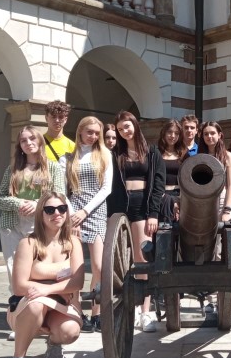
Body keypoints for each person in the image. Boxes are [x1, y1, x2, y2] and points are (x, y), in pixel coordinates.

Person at [5, 192, 84, 358]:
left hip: (61, 306)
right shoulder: (28, 243)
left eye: (62, 209)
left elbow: (78, 281)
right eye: (50, 210)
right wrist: (55, 290)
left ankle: (55, 343)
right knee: (36, 305)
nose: (57, 213)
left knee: (70, 331)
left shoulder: (74, 242)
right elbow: (19, 286)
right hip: (28, 306)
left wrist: (46, 290)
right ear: (41, 214)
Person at [107, 111, 166, 332]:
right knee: (122, 259)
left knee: (142, 257)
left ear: (135, 125)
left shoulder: (152, 152)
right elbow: (111, 184)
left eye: (127, 126)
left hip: (143, 206)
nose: (125, 131)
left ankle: (145, 312)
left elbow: (158, 184)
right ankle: (127, 308)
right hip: (121, 206)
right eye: (120, 129)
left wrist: (153, 213)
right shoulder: (115, 153)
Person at [0, 127, 67, 301]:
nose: (28, 143)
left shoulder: (52, 168)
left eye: (32, 138)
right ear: (19, 145)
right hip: (12, 224)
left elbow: (60, 195)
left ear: (40, 141)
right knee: (14, 266)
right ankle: (18, 303)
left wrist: (37, 204)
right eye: (23, 140)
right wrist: (18, 203)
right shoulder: (13, 169)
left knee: (39, 266)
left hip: (41, 224)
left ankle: (39, 301)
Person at [66, 116, 112, 333]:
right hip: (73, 211)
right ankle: (77, 311)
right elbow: (63, 190)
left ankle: (97, 313)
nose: (93, 136)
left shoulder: (105, 154)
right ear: (81, 131)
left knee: (99, 266)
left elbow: (106, 188)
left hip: (95, 210)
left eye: (96, 133)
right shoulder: (70, 156)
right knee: (74, 266)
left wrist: (86, 211)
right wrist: (73, 213)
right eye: (89, 132)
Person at [198, 121, 231, 224]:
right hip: (203, 201)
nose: (209, 136)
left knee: (221, 233)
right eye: (206, 134)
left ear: (219, 135)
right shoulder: (199, 157)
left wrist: (227, 209)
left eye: (212, 133)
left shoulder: (227, 156)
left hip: (222, 200)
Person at [157, 119, 186, 223]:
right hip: (160, 195)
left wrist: (178, 200)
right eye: (170, 132)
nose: (173, 136)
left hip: (179, 195)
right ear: (164, 133)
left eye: (176, 133)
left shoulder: (184, 154)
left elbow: (187, 180)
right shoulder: (156, 153)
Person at [42, 100, 75, 167]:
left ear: (65, 120)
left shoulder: (72, 146)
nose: (57, 120)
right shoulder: (38, 142)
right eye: (53, 116)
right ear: (46, 118)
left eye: (61, 117)